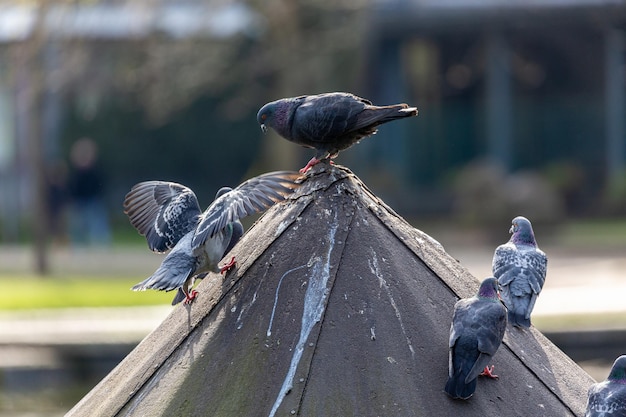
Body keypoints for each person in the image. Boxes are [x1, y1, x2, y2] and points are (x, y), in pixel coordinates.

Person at [67, 137, 111, 246]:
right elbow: (72, 188)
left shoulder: (94, 171)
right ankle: (79, 247)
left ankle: (100, 245)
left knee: (97, 226)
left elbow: (100, 185)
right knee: (78, 227)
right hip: (79, 203)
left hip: (93, 201)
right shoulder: (77, 173)